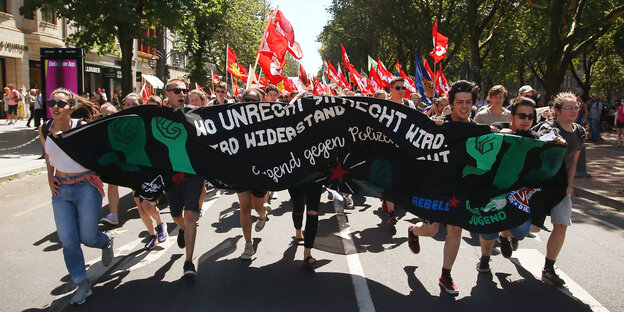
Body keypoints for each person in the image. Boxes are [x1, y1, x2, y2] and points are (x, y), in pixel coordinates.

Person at [38, 88, 114, 305]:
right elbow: (48, 155)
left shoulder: (81, 127)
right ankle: (82, 283)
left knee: (88, 237)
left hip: (85, 186)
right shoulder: (44, 128)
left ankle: (106, 241)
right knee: (68, 240)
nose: (55, 107)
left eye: (61, 104)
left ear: (71, 108)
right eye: (52, 102)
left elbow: (99, 151)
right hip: (61, 189)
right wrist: (49, 176)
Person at [407, 80, 480, 295]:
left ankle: (446, 274)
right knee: (431, 230)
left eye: (468, 102)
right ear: (451, 102)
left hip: (459, 188)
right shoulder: (438, 123)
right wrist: (432, 125)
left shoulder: (476, 129)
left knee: (455, 228)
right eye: (460, 102)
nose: (464, 107)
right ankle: (413, 230)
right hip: (436, 186)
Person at [476, 97, 540, 273]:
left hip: (518, 195)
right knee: (488, 227)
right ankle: (485, 259)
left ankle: (505, 236)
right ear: (512, 116)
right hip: (493, 190)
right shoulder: (498, 130)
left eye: (530, 116)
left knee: (520, 231)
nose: (526, 120)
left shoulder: (536, 139)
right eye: (522, 115)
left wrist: (557, 145)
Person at [532, 91, 585, 287]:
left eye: (576, 107)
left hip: (562, 186)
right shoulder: (548, 126)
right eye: (569, 107)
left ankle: (549, 268)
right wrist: (551, 139)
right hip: (542, 183)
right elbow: (538, 138)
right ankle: (506, 235)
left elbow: (574, 160)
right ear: (557, 110)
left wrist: (570, 185)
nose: (574, 111)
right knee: (532, 227)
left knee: (561, 225)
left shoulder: (580, 132)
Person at [163, 79, 203, 276]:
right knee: (177, 215)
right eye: (176, 90)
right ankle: (183, 228)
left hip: (193, 172)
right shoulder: (158, 116)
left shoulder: (193, 114)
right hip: (171, 174)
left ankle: (188, 262)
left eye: (184, 91)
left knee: (190, 215)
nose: (181, 94)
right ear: (167, 94)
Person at [237, 88, 271, 260]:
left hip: (259, 170)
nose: (250, 104)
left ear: (260, 103)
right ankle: (248, 245)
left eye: (254, 101)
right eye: (246, 100)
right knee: (244, 208)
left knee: (257, 206)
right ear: (242, 100)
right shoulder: (233, 119)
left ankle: (262, 215)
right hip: (241, 169)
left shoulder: (267, 119)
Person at [289, 183, 323, 266]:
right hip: (296, 177)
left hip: (315, 177)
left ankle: (307, 253)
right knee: (298, 210)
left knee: (313, 212)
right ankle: (298, 232)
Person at [98, 103, 121, 226]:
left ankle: (146, 211)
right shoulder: (96, 129)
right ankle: (113, 215)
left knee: (135, 189)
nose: (104, 117)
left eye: (107, 115)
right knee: (112, 186)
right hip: (111, 163)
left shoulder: (120, 126)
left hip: (127, 161)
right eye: (101, 115)